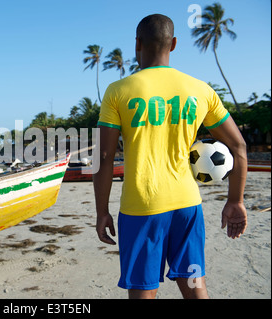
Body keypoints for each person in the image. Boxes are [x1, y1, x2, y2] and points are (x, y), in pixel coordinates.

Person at [93, 14, 247, 299]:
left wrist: (102, 211)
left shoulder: (118, 91)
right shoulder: (201, 90)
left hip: (141, 207)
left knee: (143, 289)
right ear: (173, 44)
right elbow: (238, 147)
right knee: (194, 285)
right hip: (187, 205)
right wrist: (235, 200)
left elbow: (104, 157)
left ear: (137, 43)